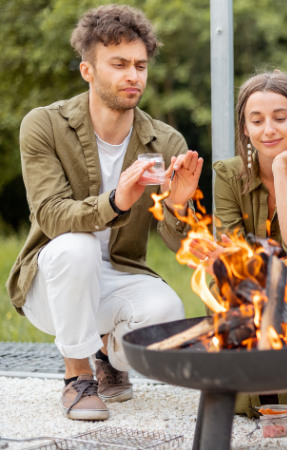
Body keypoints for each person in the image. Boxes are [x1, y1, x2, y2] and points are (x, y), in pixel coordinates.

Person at [6, 5, 203, 421]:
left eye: (140, 65)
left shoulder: (164, 139)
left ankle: (109, 358)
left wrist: (177, 205)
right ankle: (76, 377)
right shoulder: (44, 125)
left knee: (167, 310)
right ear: (88, 71)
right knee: (76, 248)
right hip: (52, 279)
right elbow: (50, 213)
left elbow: (181, 246)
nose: (133, 75)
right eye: (119, 64)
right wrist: (117, 201)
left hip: (117, 275)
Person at [190, 70, 287, 419]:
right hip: (256, 284)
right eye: (256, 121)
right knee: (227, 279)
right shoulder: (228, 174)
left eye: (279, 118)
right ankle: (255, 387)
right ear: (245, 128)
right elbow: (235, 255)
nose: (268, 130)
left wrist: (279, 169)